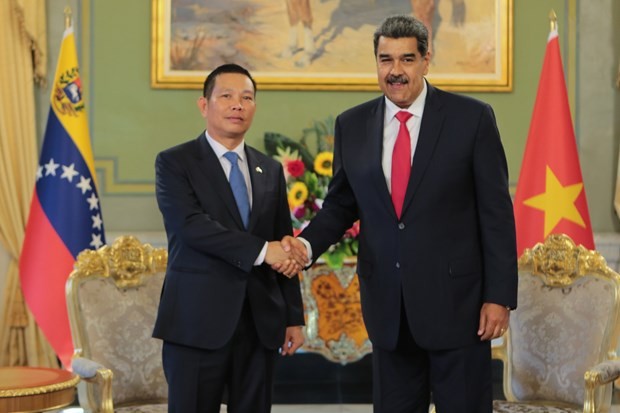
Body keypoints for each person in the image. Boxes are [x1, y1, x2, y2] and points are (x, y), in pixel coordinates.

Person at [284, 15, 517, 413]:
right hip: (389, 310)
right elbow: (342, 204)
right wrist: (305, 245)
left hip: (459, 310)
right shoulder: (353, 124)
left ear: (427, 60)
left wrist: (499, 296)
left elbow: (496, 213)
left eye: (407, 59)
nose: (395, 71)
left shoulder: (471, 119)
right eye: (385, 59)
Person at [153, 63, 306, 413]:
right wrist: (260, 251)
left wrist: (293, 315)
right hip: (196, 322)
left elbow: (281, 240)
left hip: (260, 323)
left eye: (247, 98)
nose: (238, 104)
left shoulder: (269, 169)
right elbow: (190, 226)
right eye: (227, 96)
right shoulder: (175, 163)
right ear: (204, 105)